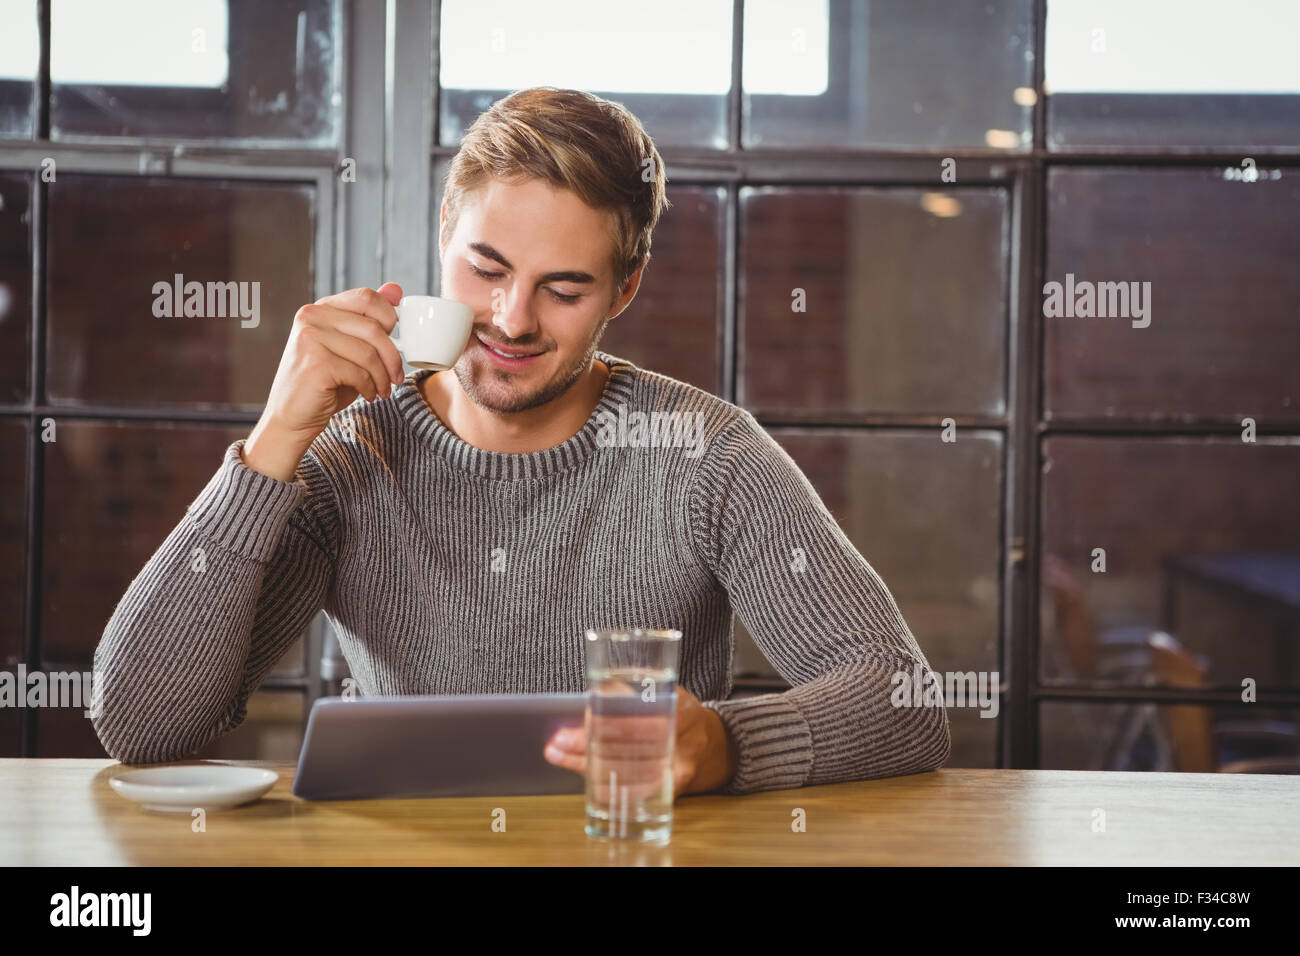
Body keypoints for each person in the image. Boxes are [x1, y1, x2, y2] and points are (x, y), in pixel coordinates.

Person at [91, 87, 950, 797]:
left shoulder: (704, 453)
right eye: (487, 269)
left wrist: (725, 744)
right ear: (442, 237)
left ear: (626, 287)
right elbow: (139, 722)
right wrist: (275, 440)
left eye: (564, 288)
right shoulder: (348, 460)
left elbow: (905, 703)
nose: (511, 320)